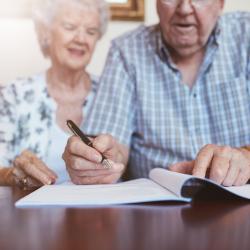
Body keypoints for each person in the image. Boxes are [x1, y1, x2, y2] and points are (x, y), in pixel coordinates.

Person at [63, 0, 250, 186]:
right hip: (156, 210)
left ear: (221, 3)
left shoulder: (246, 34)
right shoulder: (126, 51)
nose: (184, 8)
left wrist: (246, 156)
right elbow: (113, 148)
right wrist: (97, 162)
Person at [0, 0, 109, 187]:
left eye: (91, 31)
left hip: (102, 212)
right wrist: (14, 175)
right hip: (35, 214)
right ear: (45, 33)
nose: (81, 39)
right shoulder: (15, 94)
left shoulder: (113, 92)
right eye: (70, 27)